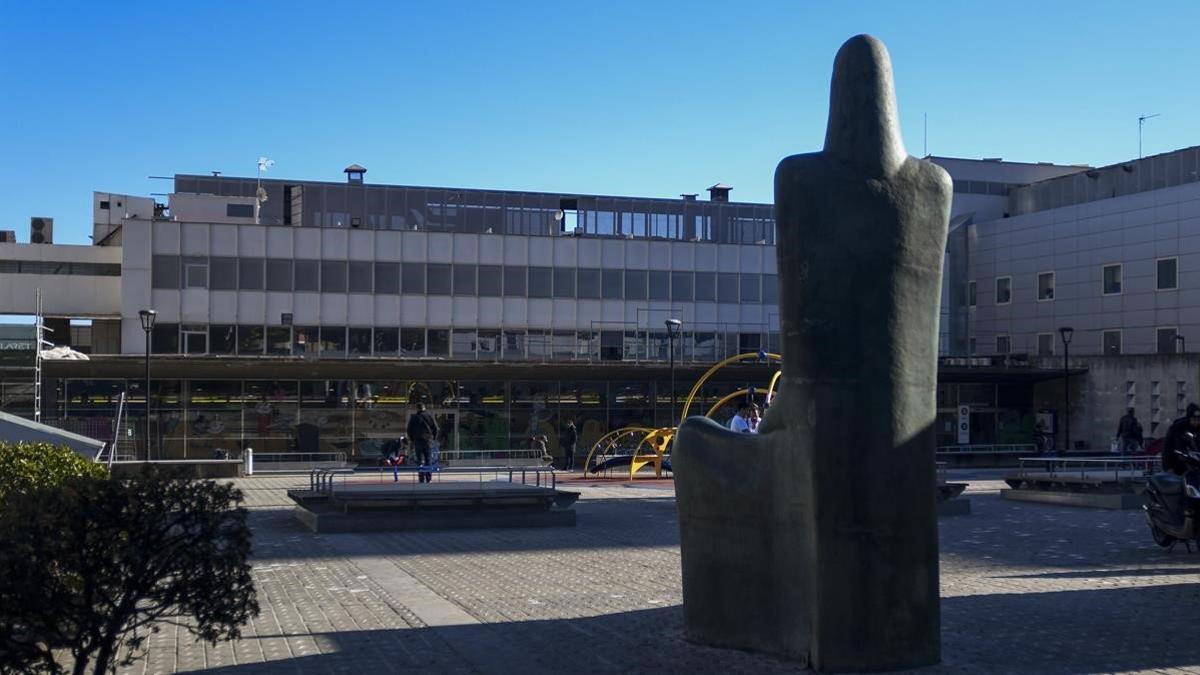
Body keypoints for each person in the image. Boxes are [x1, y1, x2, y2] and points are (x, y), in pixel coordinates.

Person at [1162, 403, 1200, 475]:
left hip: (1195, 466)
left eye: (1198, 419)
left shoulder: (1198, 430)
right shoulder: (1178, 428)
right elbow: (1167, 448)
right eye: (1194, 419)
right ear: (1189, 418)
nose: (1197, 422)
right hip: (1176, 464)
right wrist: (1168, 467)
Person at [406, 403, 439, 484]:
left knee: (419, 460)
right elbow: (435, 428)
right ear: (424, 408)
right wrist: (433, 438)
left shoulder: (413, 418)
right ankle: (428, 478)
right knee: (428, 460)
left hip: (417, 441)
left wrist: (412, 439)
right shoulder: (429, 416)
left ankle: (421, 478)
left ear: (417, 409)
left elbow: (409, 430)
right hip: (427, 441)